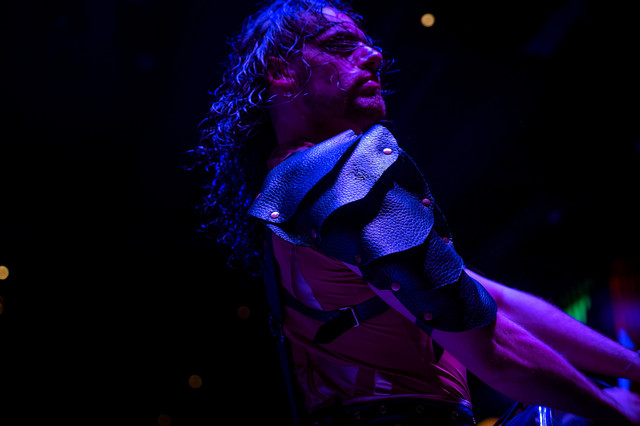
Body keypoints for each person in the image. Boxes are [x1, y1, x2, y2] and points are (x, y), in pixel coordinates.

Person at [187, 1, 640, 424]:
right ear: (282, 72)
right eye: (339, 45)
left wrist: (632, 367)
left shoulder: (300, 186)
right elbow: (491, 346)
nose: (373, 56)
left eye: (367, 45)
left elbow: (492, 301)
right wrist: (610, 405)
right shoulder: (332, 179)